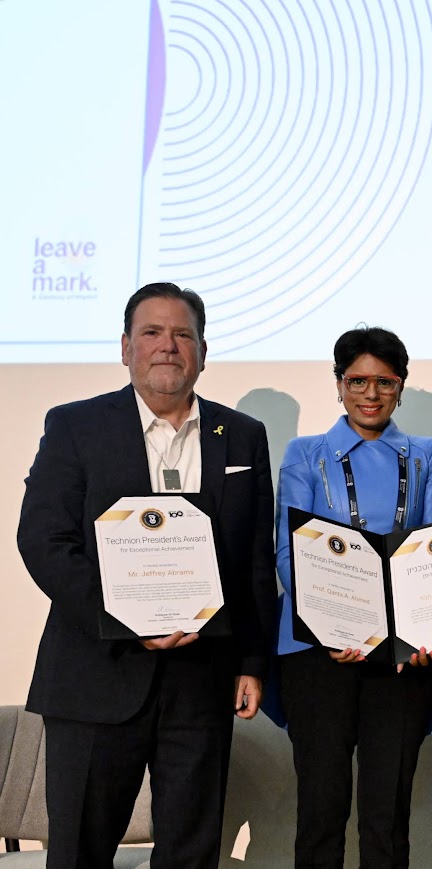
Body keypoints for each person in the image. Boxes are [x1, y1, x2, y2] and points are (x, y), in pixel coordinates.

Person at [17, 282, 277, 868]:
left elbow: (254, 561)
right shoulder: (76, 426)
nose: (168, 345)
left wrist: (252, 661)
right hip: (95, 673)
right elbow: (44, 540)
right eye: (152, 332)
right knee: (79, 853)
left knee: (192, 853)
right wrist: (122, 617)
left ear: (203, 352)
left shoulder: (242, 435)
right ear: (126, 348)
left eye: (183, 334)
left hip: (203, 680)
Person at [274, 327, 432, 868]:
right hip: (318, 652)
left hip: (400, 656)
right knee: (320, 810)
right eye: (357, 381)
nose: (370, 394)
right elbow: (289, 551)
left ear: (400, 387)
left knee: (386, 816)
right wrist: (335, 628)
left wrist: (418, 633)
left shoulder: (427, 456)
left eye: (384, 382)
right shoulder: (305, 454)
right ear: (338, 384)